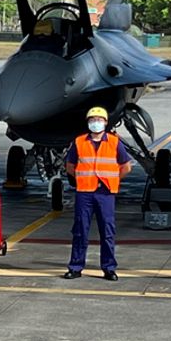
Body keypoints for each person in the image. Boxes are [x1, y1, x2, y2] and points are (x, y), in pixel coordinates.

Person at [62, 107, 132, 281]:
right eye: (92, 119)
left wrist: (112, 179)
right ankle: (76, 266)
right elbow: (70, 166)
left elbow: (126, 167)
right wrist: (83, 178)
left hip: (105, 192)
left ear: (106, 122)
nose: (96, 122)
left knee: (107, 231)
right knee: (80, 230)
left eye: (99, 119)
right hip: (85, 192)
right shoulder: (79, 142)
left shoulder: (115, 142)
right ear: (87, 122)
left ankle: (109, 268)